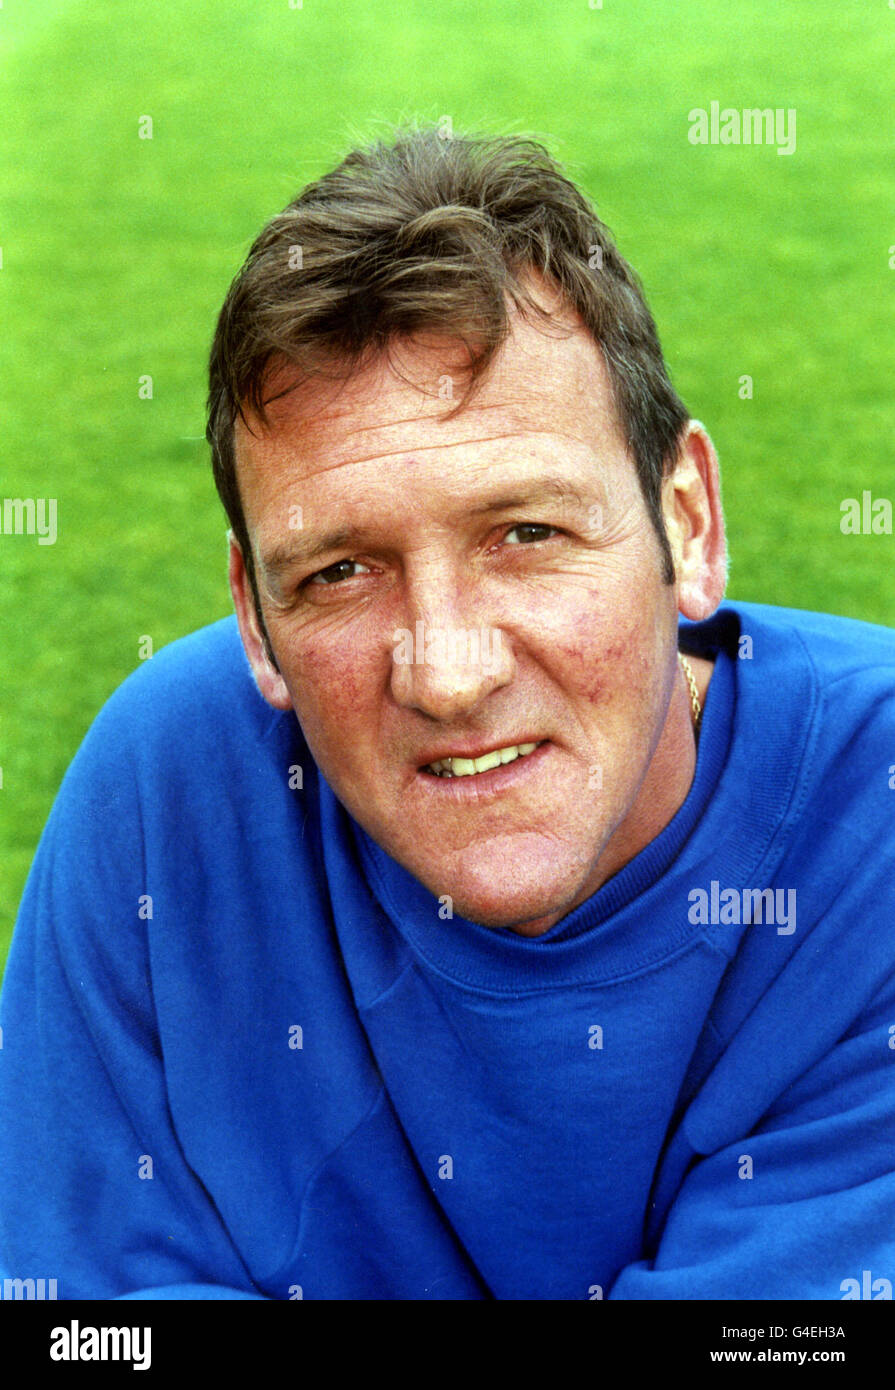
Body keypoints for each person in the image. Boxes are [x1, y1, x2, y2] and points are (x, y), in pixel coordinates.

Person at [1, 127, 893, 1302]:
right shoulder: (169, 782)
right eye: (339, 573)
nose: (448, 672)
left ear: (687, 522)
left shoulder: (869, 816)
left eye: (526, 534)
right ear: (255, 620)